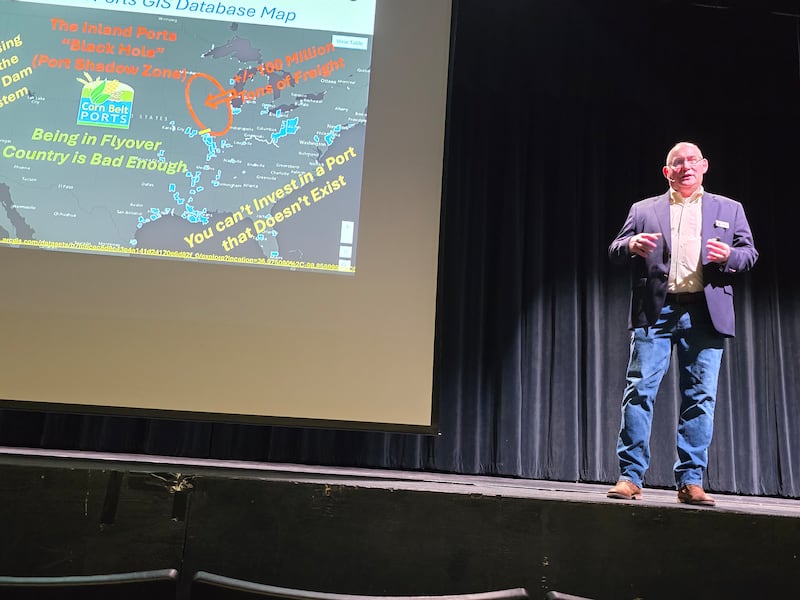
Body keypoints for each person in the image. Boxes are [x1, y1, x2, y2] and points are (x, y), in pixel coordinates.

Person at [606, 141, 758, 506]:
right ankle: (630, 477)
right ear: (667, 171)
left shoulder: (729, 208)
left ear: (704, 166)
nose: (685, 166)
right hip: (656, 312)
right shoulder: (644, 209)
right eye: (678, 162)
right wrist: (631, 245)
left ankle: (690, 481)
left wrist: (730, 256)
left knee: (700, 397)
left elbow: (749, 254)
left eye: (692, 161)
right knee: (639, 392)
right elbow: (615, 248)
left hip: (705, 312)